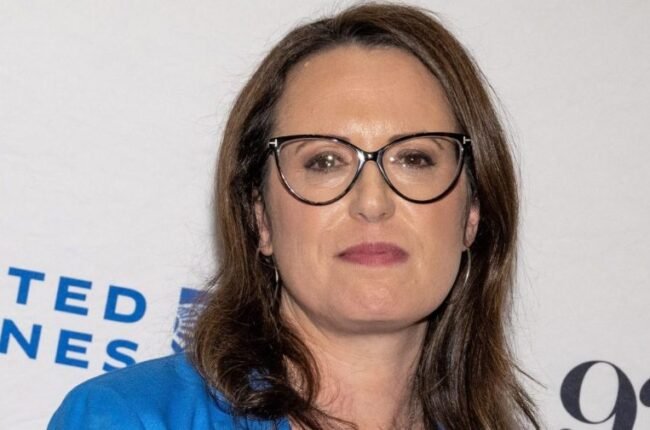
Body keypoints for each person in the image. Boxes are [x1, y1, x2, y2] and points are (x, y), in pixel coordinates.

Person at [49, 3, 539, 429]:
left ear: (472, 213)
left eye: (414, 158)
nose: (372, 202)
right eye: (324, 161)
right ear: (260, 218)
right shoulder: (128, 418)